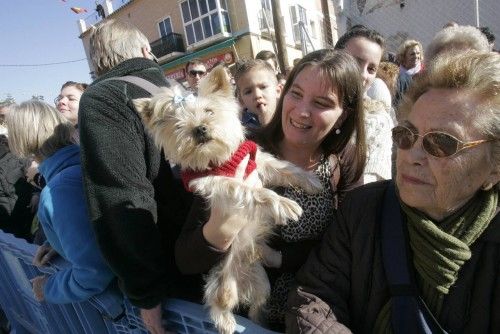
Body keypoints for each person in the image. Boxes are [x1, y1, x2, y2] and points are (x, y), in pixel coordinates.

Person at [286, 51, 500, 333]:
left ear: (494, 167)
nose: (412, 155)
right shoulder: (363, 209)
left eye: (442, 142)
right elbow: (314, 296)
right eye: (406, 135)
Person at [175, 49, 367, 331]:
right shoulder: (242, 149)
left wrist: (279, 258)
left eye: (322, 102)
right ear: (283, 90)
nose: (302, 111)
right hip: (247, 319)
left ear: (343, 115)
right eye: (296, 93)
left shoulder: (344, 159)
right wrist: (220, 229)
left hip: (322, 313)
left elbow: (347, 247)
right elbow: (186, 259)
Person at [78, 19, 193, 334]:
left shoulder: (104, 97)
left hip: (170, 275)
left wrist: (146, 295)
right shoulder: (177, 90)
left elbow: (121, 195)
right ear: (145, 50)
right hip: (209, 247)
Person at [6, 100, 115, 304]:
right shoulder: (82, 167)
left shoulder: (59, 190)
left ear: (20, 137)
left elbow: (93, 273)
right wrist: (57, 242)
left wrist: (48, 287)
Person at [335, 27, 394, 182]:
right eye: (355, 62)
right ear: (333, 59)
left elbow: (368, 187)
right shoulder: (308, 104)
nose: (363, 74)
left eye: (371, 69)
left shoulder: (376, 121)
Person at [234, 59, 282, 128]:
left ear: (277, 91)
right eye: (248, 92)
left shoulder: (289, 118)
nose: (257, 95)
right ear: (242, 101)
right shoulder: (242, 129)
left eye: (263, 87)